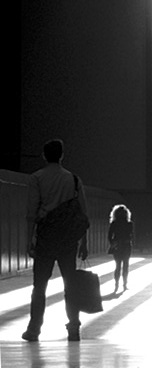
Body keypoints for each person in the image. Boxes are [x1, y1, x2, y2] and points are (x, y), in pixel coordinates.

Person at [22, 139, 89, 342]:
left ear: (44, 155)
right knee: (70, 285)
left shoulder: (37, 178)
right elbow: (82, 214)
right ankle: (74, 328)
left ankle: (34, 329)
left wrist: (29, 240)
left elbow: (31, 212)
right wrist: (83, 243)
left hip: (46, 238)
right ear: (62, 156)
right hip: (68, 239)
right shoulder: (74, 180)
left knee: (39, 286)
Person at [108, 204, 134, 292]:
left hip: (117, 246)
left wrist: (113, 243)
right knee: (126, 265)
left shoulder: (114, 223)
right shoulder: (129, 224)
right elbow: (131, 235)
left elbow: (109, 236)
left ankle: (116, 285)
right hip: (126, 246)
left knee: (118, 266)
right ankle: (124, 285)